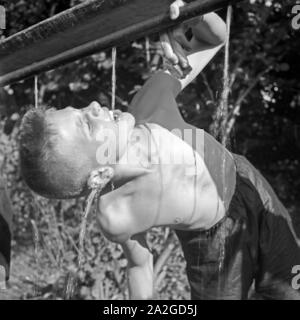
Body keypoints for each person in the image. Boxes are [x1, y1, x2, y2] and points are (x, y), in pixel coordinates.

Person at [19, 0, 300, 300]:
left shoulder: (149, 106)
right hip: (209, 244)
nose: (93, 106)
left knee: (290, 288)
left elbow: (215, 39)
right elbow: (139, 265)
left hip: (249, 185)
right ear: (99, 175)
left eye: (80, 107)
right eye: (87, 124)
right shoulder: (116, 214)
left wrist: (193, 13)